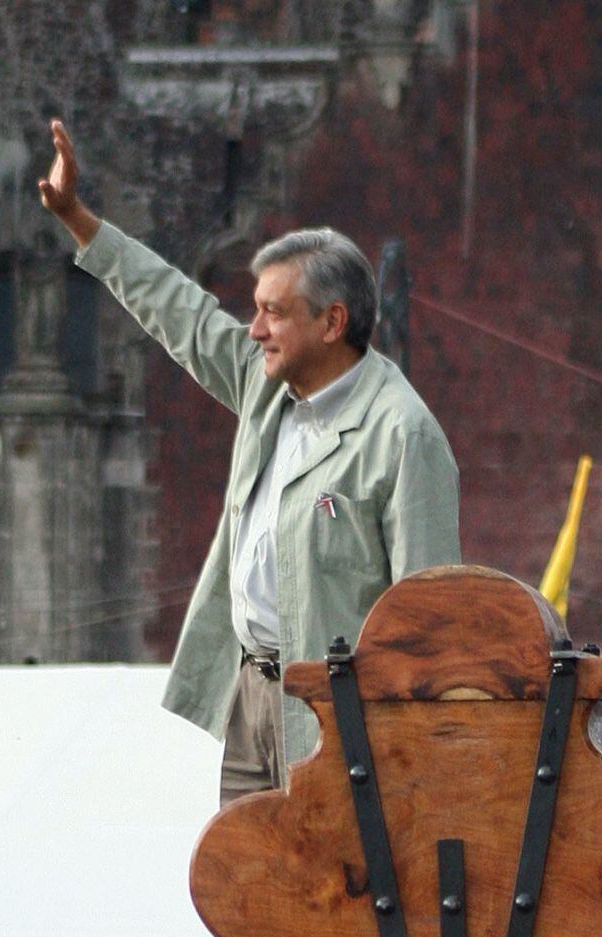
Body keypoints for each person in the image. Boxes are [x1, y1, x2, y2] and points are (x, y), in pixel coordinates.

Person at [39, 120, 461, 807]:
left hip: (345, 730)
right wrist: (78, 220)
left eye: (272, 313)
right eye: (254, 311)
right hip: (253, 698)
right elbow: (180, 313)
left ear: (331, 322)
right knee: (241, 898)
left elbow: (427, 621)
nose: (254, 329)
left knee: (328, 908)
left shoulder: (403, 435)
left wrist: (409, 762)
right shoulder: (267, 384)